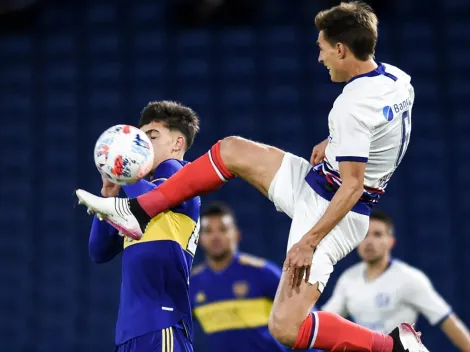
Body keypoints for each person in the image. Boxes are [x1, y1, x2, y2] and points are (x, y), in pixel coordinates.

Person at [75, 2, 426, 351]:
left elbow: (352, 185)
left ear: (340, 48)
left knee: (286, 328)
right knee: (232, 150)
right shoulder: (397, 81)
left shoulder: (350, 107)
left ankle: (391, 347)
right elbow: (385, 133)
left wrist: (309, 242)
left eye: (321, 49)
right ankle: (138, 210)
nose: (319, 58)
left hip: (334, 210)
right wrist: (336, 143)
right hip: (317, 180)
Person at [83, 101, 201, 352]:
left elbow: (159, 196)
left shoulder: (183, 175)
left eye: (152, 137)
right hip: (130, 329)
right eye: (140, 138)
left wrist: (127, 170)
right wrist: (109, 197)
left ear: (177, 143)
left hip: (163, 324)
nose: (143, 145)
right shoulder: (139, 195)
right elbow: (99, 251)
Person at [322, 210, 470, 351]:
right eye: (364, 235)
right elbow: (325, 321)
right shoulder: (348, 279)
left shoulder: (409, 278)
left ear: (391, 241)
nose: (369, 241)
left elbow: (446, 320)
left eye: (377, 234)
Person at [190, 202, 321, 352]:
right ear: (199, 238)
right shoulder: (193, 283)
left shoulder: (263, 273)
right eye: (208, 231)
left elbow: (305, 318)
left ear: (237, 234)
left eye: (223, 229)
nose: (215, 237)